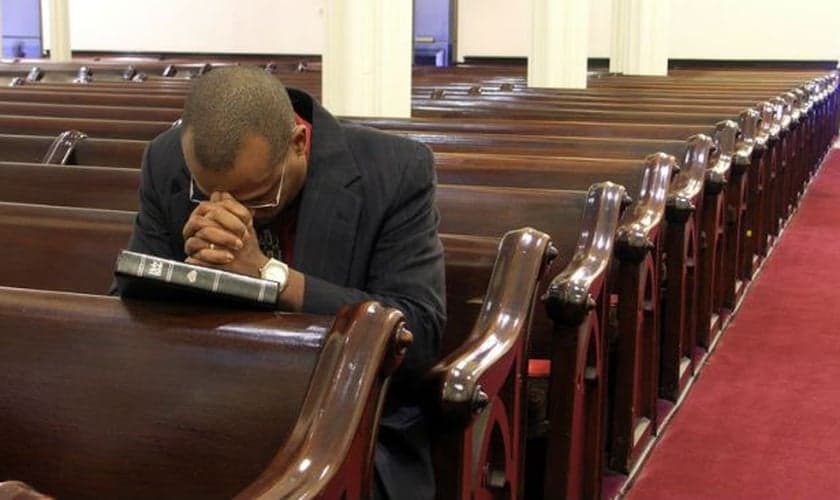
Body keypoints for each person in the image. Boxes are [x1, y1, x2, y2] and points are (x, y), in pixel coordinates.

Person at [114, 66, 446, 499]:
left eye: (258, 199)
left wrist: (268, 276)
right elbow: (131, 303)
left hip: (341, 423)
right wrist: (190, 271)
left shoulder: (396, 171)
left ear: (299, 143)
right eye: (206, 192)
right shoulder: (165, 160)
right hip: (204, 407)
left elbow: (417, 336)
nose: (235, 212)